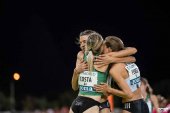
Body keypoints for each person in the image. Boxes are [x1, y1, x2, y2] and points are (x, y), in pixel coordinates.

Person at [71, 30, 137, 113]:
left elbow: (132, 55)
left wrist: (112, 59)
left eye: (85, 41)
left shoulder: (105, 53)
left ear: (94, 39)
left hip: (102, 103)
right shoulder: (80, 56)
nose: (82, 45)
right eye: (80, 43)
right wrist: (76, 71)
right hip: (86, 101)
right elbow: (74, 87)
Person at [94, 36, 149, 113]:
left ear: (109, 49)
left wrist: (109, 89)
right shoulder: (128, 60)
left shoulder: (114, 70)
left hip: (131, 105)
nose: (102, 49)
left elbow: (129, 94)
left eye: (103, 47)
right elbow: (133, 56)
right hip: (143, 104)